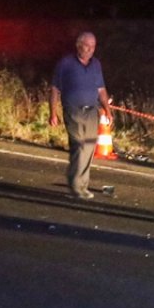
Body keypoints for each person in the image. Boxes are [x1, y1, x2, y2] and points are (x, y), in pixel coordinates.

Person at [49, 31, 112, 200]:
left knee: (90, 147)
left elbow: (101, 89)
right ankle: (76, 185)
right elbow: (55, 89)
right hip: (73, 110)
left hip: (92, 111)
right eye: (87, 46)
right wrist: (53, 113)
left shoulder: (96, 65)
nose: (90, 50)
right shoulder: (66, 64)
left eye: (93, 47)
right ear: (78, 45)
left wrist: (107, 109)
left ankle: (82, 184)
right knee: (79, 146)